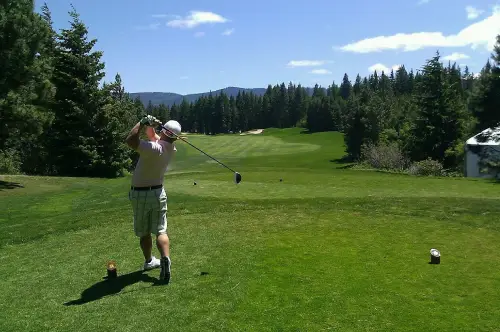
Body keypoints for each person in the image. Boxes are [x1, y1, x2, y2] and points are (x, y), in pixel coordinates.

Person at [125, 115, 181, 284]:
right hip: (158, 193)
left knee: (144, 232)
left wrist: (142, 123)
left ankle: (149, 261)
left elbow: (130, 140)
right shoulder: (171, 148)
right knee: (160, 230)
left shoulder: (153, 149)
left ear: (165, 132)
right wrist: (153, 126)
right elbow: (152, 135)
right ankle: (165, 258)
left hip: (140, 194)